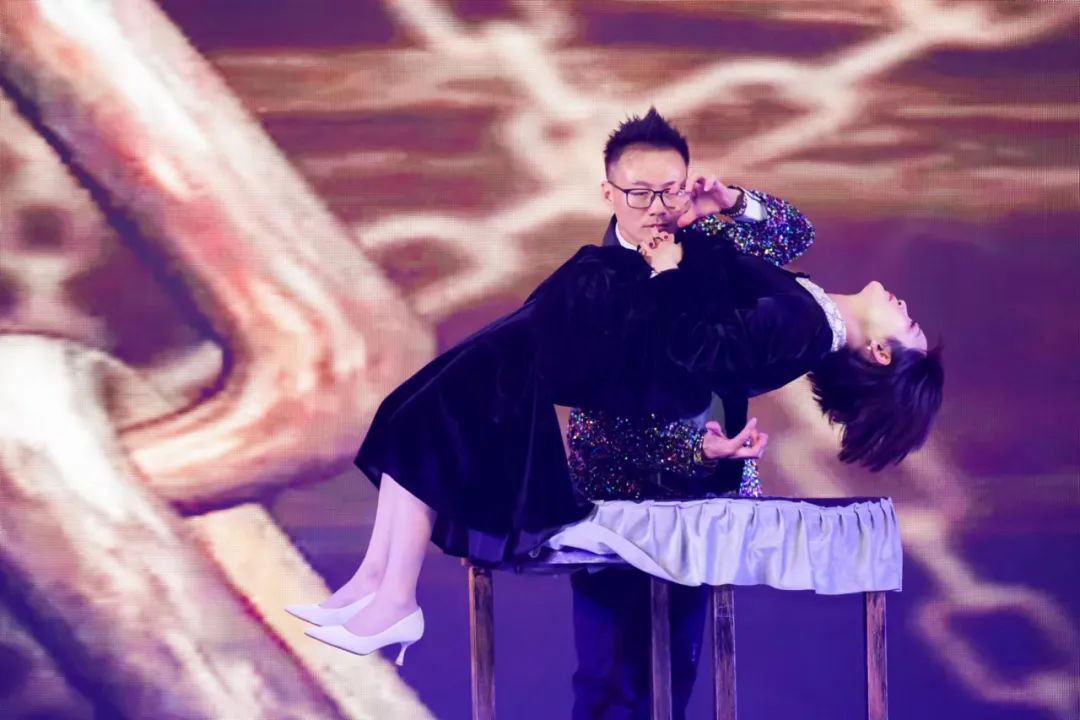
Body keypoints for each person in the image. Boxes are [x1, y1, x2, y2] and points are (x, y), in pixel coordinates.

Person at [285, 124, 943, 667]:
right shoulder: (807, 308)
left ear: (881, 354)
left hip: (612, 345)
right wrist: (729, 203)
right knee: (420, 409)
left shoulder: (801, 327)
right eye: (642, 191)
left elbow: (701, 352)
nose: (907, 308)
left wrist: (669, 272)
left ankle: (394, 599)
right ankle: (378, 584)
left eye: (909, 326)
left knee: (439, 411)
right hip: (602, 314)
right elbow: (789, 236)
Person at [566, 108, 810, 720]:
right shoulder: (590, 283)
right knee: (608, 684)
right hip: (616, 509)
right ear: (608, 193)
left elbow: (794, 239)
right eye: (639, 193)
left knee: (676, 677)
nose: (657, 207)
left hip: (703, 504)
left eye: (670, 190)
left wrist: (730, 202)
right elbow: (595, 426)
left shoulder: (708, 251)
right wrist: (689, 448)